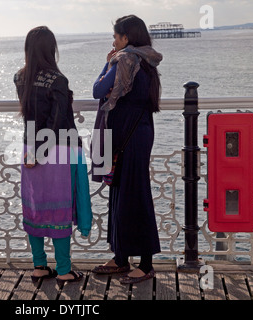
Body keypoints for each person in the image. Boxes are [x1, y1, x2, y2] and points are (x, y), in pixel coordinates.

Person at [14, 26, 92, 285]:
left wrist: (34, 152)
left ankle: (38, 266)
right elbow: (57, 121)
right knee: (59, 211)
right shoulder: (58, 80)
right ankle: (64, 270)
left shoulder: (19, 77)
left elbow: (31, 116)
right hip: (57, 151)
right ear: (51, 49)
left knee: (35, 208)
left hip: (29, 149)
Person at [90, 15, 162, 284]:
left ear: (126, 38)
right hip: (138, 131)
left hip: (127, 135)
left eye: (116, 37)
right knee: (124, 193)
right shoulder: (146, 61)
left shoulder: (124, 60)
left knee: (133, 195)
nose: (113, 41)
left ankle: (145, 264)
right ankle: (121, 257)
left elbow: (99, 90)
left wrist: (106, 62)